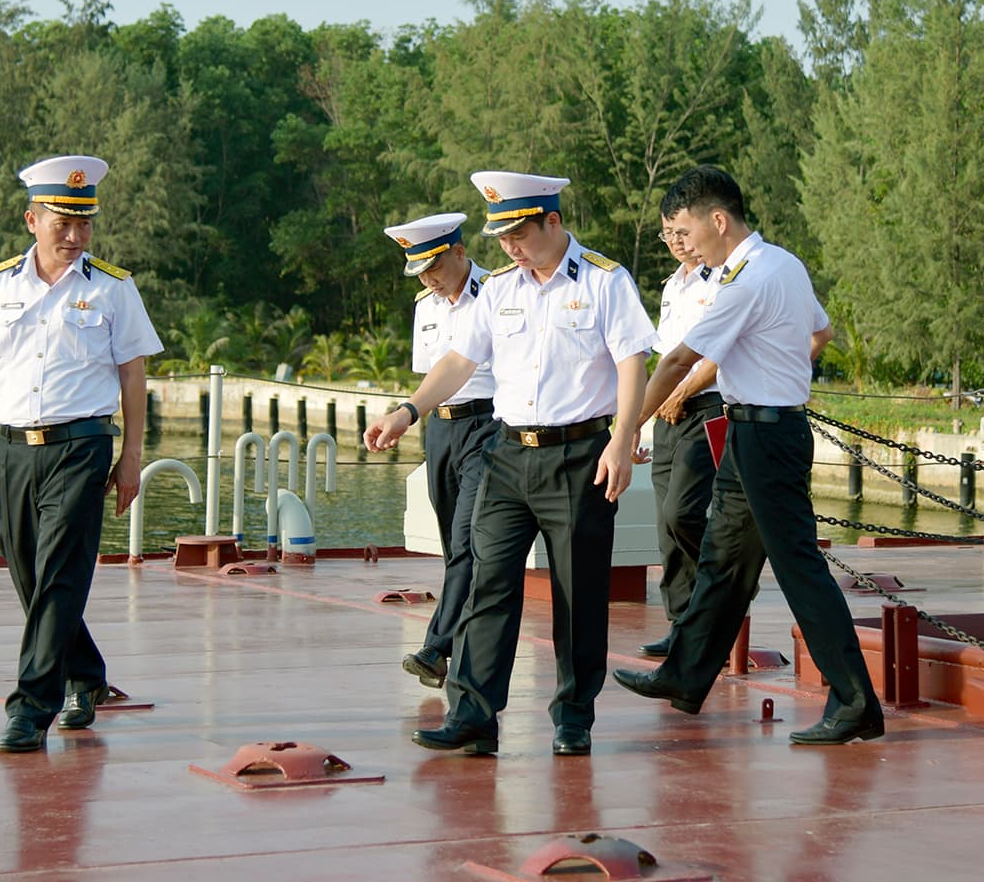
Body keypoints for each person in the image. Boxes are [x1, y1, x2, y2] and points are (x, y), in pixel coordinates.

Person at [366, 171, 656, 756]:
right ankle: (473, 713)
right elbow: (458, 360)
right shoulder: (499, 289)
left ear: (553, 221)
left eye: (519, 233)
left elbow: (632, 361)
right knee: (487, 581)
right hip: (505, 453)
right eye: (501, 237)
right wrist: (408, 410)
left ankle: (573, 715)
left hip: (579, 457)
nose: (509, 247)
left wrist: (623, 438)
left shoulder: (604, 280)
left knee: (578, 592)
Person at [613, 164, 884, 745]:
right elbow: (816, 332)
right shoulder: (785, 264)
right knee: (722, 560)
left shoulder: (747, 280)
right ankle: (685, 677)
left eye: (687, 231)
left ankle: (857, 701)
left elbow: (677, 362)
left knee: (799, 570)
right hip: (756, 430)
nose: (685, 245)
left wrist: (625, 429)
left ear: (718, 219)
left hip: (766, 436)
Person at [0, 154, 164, 754]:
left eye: (84, 224)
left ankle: (31, 707)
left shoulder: (113, 289)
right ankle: (86, 675)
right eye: (61, 223)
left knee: (61, 576)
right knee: (32, 577)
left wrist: (130, 457)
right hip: (13, 448)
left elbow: (133, 373)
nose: (74, 237)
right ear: (31, 220)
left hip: (82, 446)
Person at [382, 213, 498, 688]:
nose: (429, 279)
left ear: (459, 252)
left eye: (434, 266)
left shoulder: (497, 292)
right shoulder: (425, 306)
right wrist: (408, 416)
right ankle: (461, 635)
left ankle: (436, 647)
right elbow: (430, 375)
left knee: (470, 538)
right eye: (420, 271)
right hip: (441, 429)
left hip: (489, 425)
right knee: (455, 544)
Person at [637, 215, 723, 658]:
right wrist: (645, 411)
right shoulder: (673, 286)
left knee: (682, 513)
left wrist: (683, 392)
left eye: (682, 234)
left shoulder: (724, 277)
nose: (675, 243)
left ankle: (719, 595)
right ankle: (682, 624)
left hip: (706, 405)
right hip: (668, 413)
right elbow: (664, 358)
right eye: (667, 236)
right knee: (664, 526)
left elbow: (719, 349)